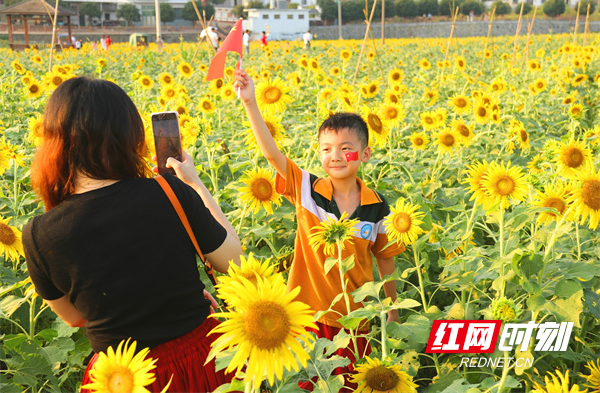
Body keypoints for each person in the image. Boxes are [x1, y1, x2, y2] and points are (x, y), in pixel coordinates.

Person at [23, 77, 243, 392]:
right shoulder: (169, 192)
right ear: (129, 135)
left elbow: (74, 317)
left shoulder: (38, 234)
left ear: (53, 141)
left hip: (119, 378)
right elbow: (232, 259)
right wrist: (194, 184)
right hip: (199, 360)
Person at [233, 69, 403, 391]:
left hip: (358, 321)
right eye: (326, 149)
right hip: (307, 317)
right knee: (311, 383)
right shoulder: (308, 190)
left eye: (345, 148)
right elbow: (272, 153)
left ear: (365, 154)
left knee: (353, 384)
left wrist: (391, 312)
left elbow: (386, 262)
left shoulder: (378, 207)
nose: (335, 156)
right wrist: (251, 103)